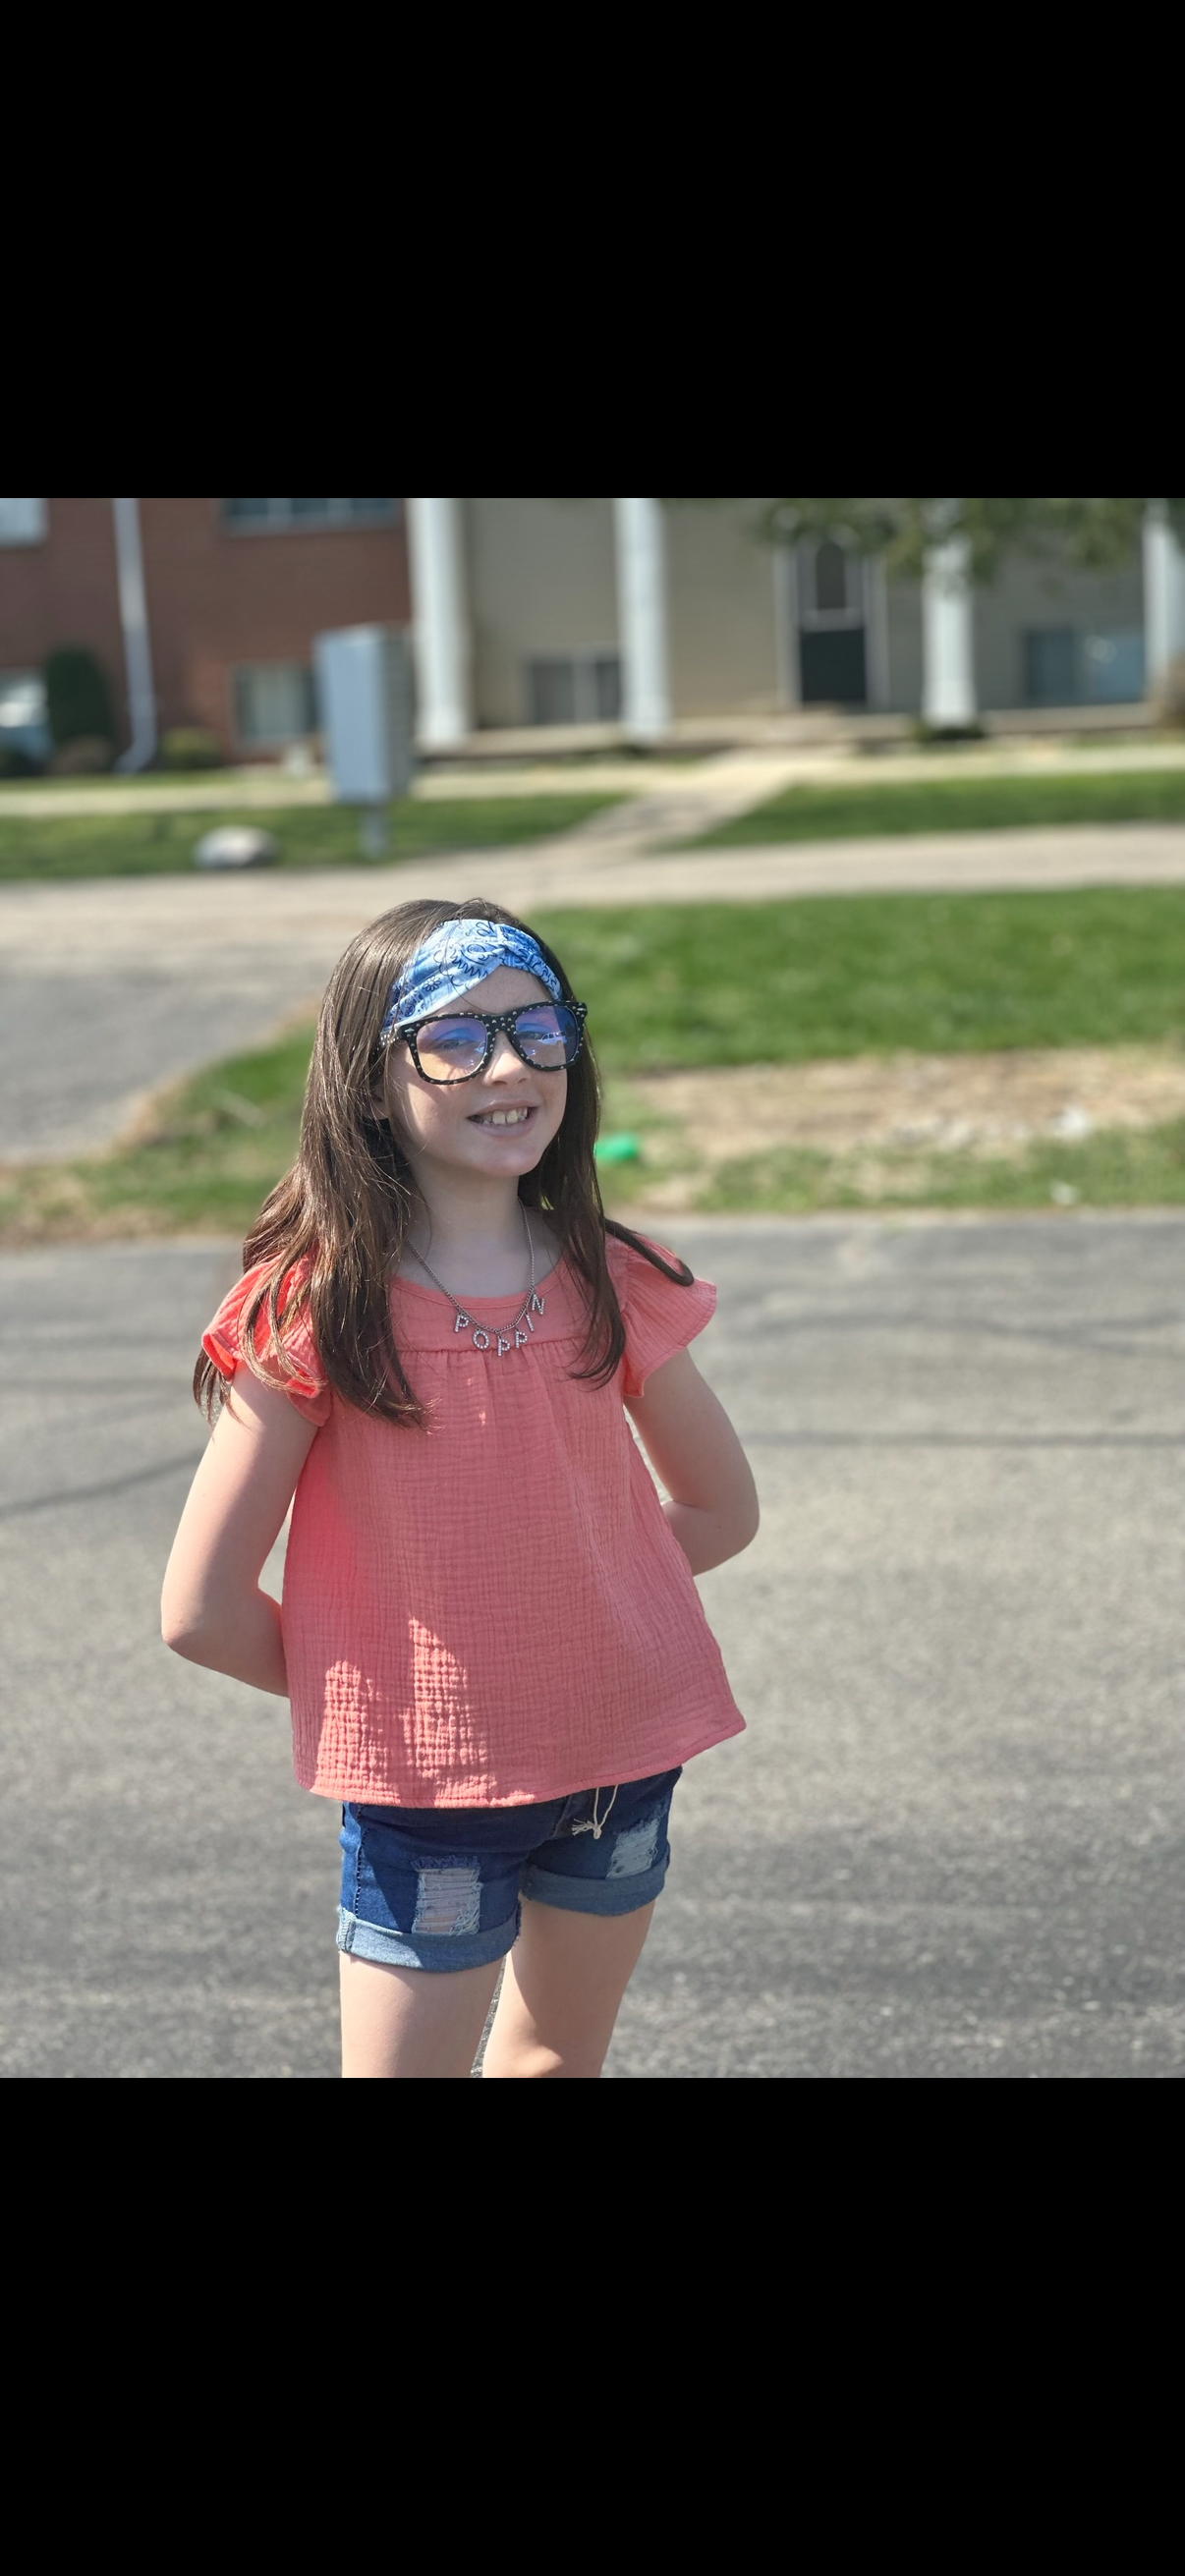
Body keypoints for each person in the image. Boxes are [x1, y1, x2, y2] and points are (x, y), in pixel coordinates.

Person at [161, 897, 759, 2079]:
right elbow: (201, 1610)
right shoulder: (315, 1307)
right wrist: (402, 1686)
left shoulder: (614, 1278)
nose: (509, 1065)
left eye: (538, 1029)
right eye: (453, 1038)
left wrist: (552, 1629)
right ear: (372, 1084)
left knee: (556, 2060)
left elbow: (721, 1510)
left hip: (621, 1760)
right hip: (429, 1792)